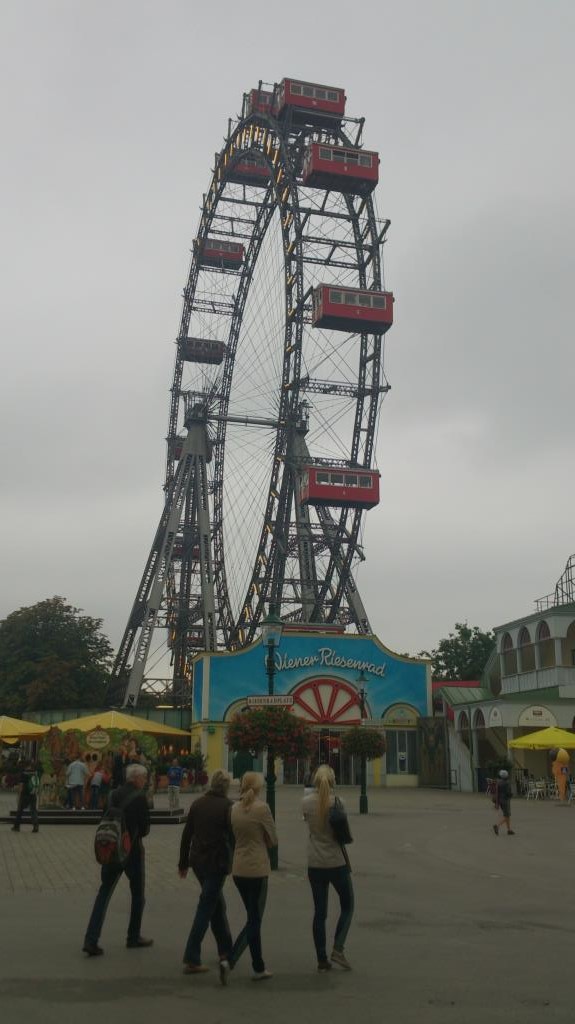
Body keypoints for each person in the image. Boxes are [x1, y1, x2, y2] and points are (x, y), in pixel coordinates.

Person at [82, 764, 153, 956]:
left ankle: (91, 939)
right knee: (138, 895)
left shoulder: (113, 794)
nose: (145, 781)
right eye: (144, 778)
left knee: (104, 893)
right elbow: (145, 829)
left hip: (111, 850)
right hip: (133, 853)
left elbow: (103, 816)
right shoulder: (140, 797)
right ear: (137, 778)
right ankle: (133, 936)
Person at [178, 769, 234, 981]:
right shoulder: (228, 807)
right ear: (226, 787)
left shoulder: (198, 803)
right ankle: (192, 956)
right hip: (216, 864)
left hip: (198, 862)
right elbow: (233, 837)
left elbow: (187, 834)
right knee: (206, 906)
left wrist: (183, 863)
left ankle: (226, 950)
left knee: (216, 905)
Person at [302, 764, 354, 971]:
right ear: (332, 781)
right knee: (348, 905)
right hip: (336, 862)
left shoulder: (305, 803)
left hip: (315, 862)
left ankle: (321, 959)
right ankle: (338, 948)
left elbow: (307, 822)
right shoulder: (339, 803)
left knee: (319, 912)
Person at [229, 771, 277, 981]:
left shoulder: (234, 809)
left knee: (252, 918)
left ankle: (258, 966)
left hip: (238, 869)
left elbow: (234, 837)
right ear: (258, 788)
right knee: (254, 920)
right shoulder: (262, 808)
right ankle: (230, 960)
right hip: (257, 869)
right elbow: (273, 840)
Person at [11, 761, 40, 833]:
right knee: (33, 810)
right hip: (33, 793)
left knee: (20, 810)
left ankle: (16, 826)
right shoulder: (35, 773)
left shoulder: (24, 773)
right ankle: (35, 825)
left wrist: (19, 795)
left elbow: (21, 785)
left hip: (25, 794)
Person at [492, 768, 515, 836]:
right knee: (507, 815)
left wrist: (497, 803)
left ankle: (509, 830)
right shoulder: (507, 783)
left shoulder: (498, 782)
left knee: (506, 815)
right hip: (506, 800)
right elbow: (508, 793)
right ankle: (497, 826)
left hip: (500, 800)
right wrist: (511, 795)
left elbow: (497, 792)